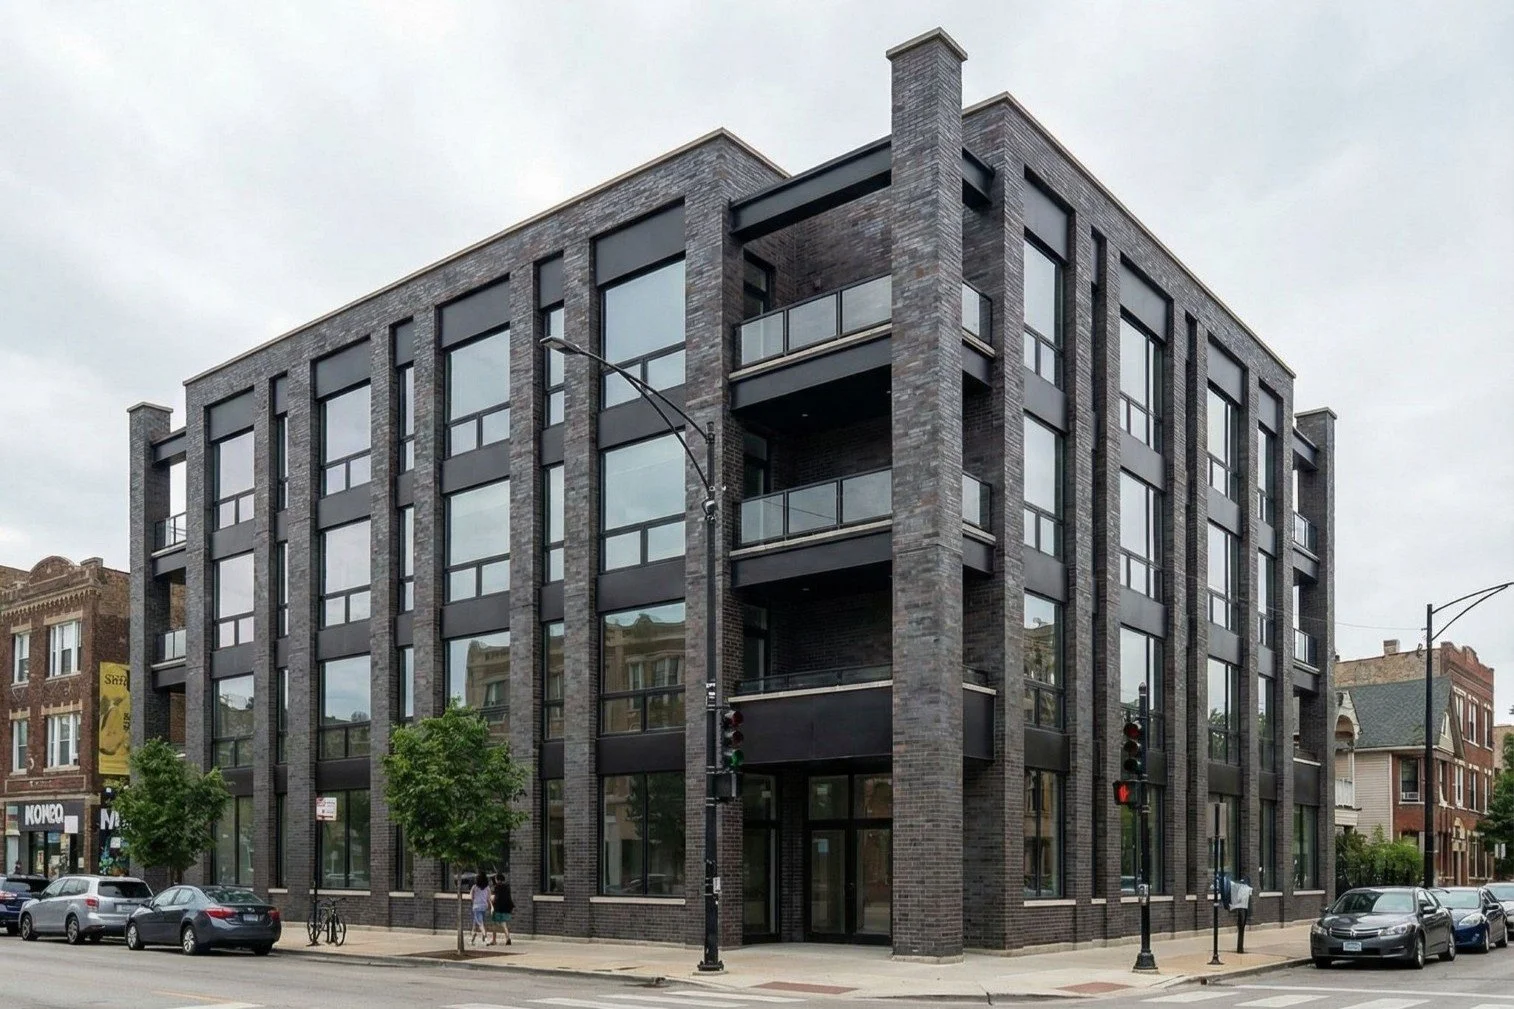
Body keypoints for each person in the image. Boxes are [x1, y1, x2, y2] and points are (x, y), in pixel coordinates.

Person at [488, 872, 514, 946]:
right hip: (505, 908)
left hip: (498, 907)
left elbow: (495, 898)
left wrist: (492, 906)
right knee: (503, 923)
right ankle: (507, 937)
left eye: (496, 879)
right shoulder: (507, 887)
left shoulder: (497, 887)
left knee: (494, 924)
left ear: (498, 879)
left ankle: (494, 940)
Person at [468, 869, 490, 946]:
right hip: (484, 906)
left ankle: (486, 938)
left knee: (480, 923)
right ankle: (472, 939)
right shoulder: (487, 887)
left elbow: (471, 897)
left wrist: (474, 902)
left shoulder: (474, 887)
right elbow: (488, 897)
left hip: (476, 907)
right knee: (475, 923)